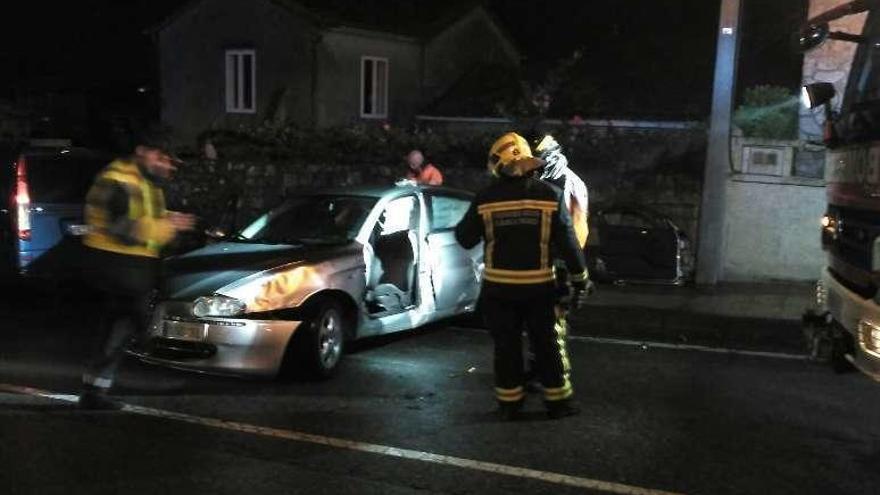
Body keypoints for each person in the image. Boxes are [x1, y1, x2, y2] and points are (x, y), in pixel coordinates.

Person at [454, 132, 589, 421]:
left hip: (498, 290)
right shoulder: (549, 195)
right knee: (546, 344)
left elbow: (464, 238)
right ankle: (558, 403)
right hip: (540, 288)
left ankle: (509, 405)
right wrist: (581, 279)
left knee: (506, 347)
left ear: (497, 164)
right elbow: (569, 243)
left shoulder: (485, 198)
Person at [78, 136, 196, 410]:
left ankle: (95, 390)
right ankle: (104, 385)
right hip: (115, 264)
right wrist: (167, 226)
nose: (167, 164)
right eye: (161, 157)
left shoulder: (147, 183)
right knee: (132, 320)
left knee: (119, 327)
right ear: (142, 151)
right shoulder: (117, 179)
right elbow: (118, 227)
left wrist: (170, 221)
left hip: (134, 265)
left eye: (169, 159)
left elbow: (149, 219)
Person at [523, 134, 592, 390]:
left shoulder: (569, 183)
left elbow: (575, 229)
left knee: (554, 322)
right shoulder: (545, 179)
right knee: (535, 320)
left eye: (539, 160)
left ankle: (556, 374)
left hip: (558, 262)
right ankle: (537, 368)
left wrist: (569, 265)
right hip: (540, 260)